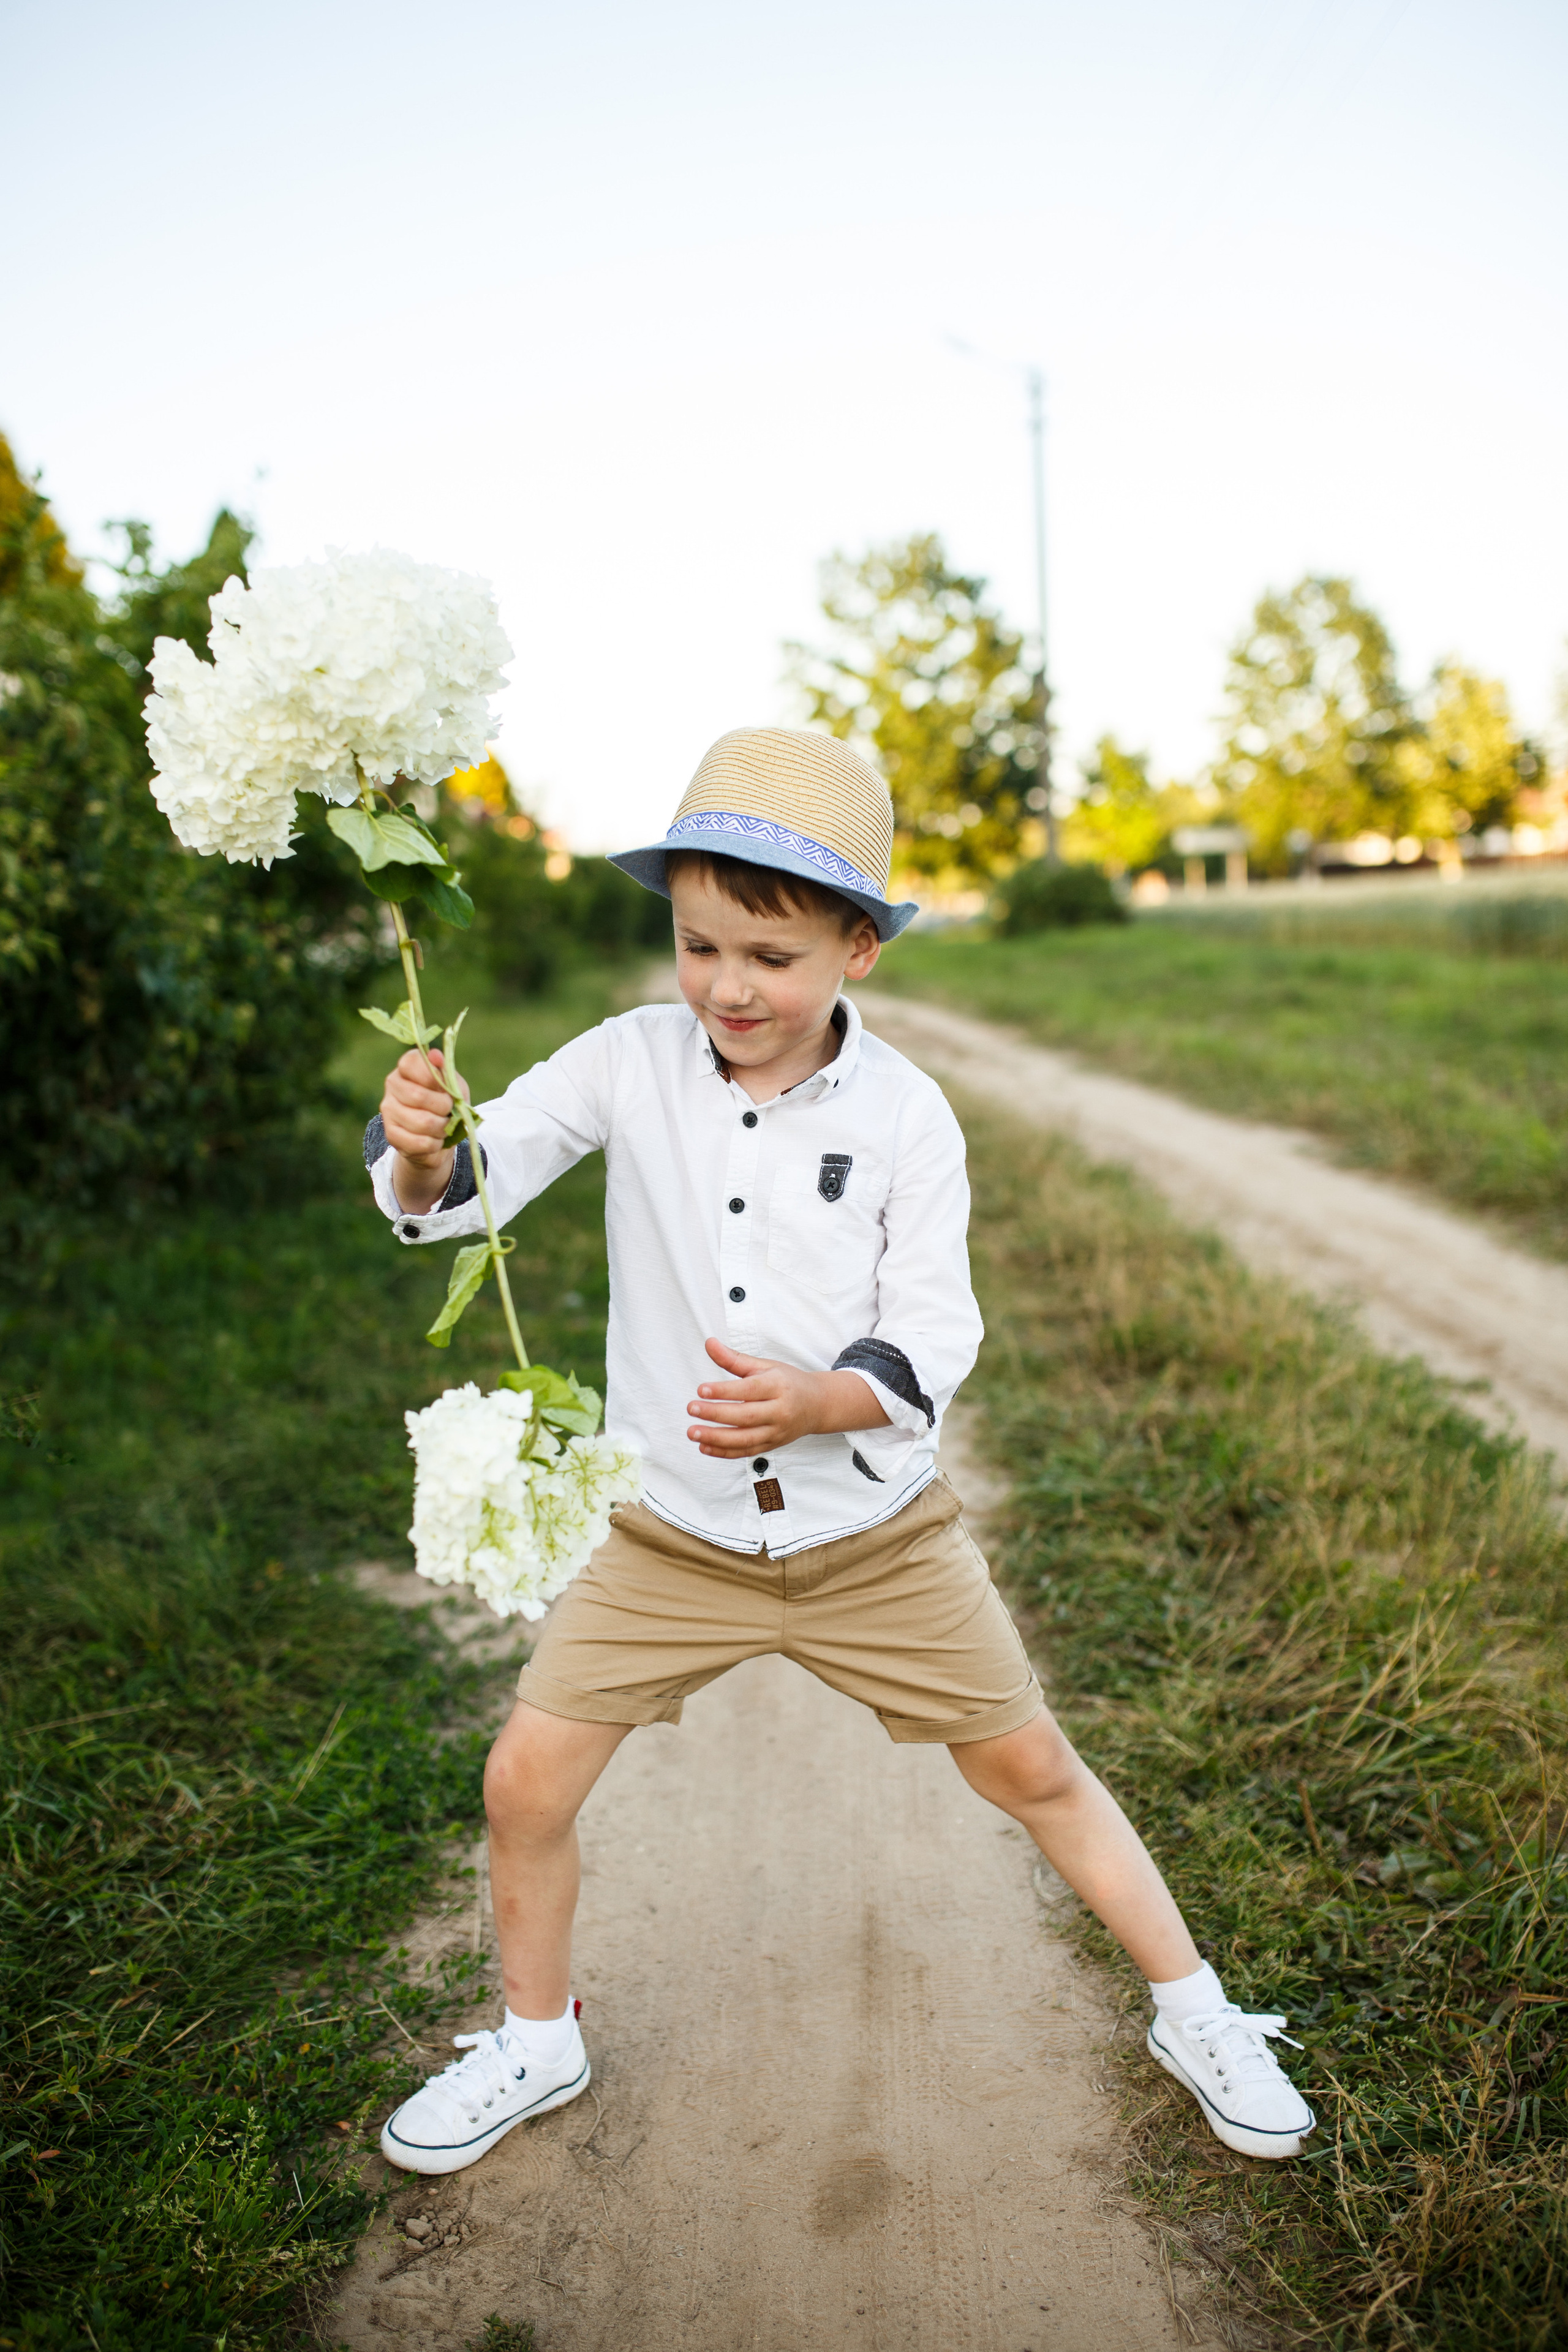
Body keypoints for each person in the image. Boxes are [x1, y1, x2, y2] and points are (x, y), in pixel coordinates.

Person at [366, 727, 1313, 2177]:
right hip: (667, 1538)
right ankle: (533, 2037)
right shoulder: (626, 1061)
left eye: (769, 954)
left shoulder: (904, 1117)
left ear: (855, 950)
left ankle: (1195, 2009)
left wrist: (821, 1402)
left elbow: (935, 1327)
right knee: (522, 1784)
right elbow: (467, 1198)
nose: (728, 988)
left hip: (870, 1537)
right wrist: (427, 1151)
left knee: (1033, 1769)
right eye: (697, 946)